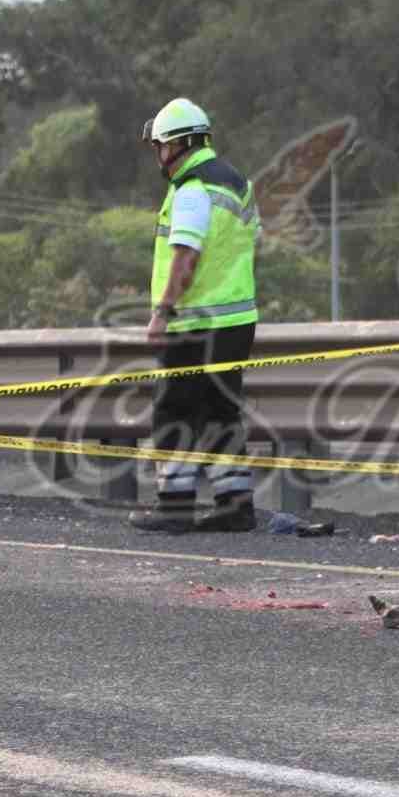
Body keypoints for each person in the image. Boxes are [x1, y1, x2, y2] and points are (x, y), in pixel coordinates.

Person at [129, 97, 260, 533]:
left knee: (174, 413)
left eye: (160, 146)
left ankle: (174, 507)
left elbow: (185, 258)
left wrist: (162, 312)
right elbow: (246, 246)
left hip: (194, 323)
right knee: (221, 414)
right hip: (236, 322)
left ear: (178, 145)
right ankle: (235, 507)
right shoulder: (237, 182)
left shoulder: (191, 190)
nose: (158, 155)